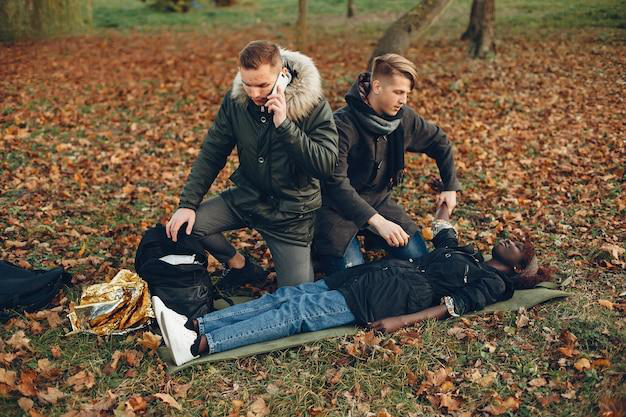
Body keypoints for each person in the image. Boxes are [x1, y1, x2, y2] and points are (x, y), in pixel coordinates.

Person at [154, 203, 550, 366]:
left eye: (517, 246)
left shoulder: (492, 284)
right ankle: (198, 327)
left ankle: (199, 347)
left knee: (295, 314)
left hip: (387, 297)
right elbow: (443, 233)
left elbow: (454, 306)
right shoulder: (468, 256)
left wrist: (402, 322)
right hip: (366, 276)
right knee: (288, 296)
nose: (509, 240)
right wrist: (444, 212)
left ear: (517, 269)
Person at [165, 40, 338, 289]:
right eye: (248, 85)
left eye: (263, 85)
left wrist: (285, 125)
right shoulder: (237, 102)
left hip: (290, 213)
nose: (255, 94)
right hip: (248, 198)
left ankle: (305, 260)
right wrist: (187, 205)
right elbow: (212, 152)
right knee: (189, 226)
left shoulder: (314, 106)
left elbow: (325, 165)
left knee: (297, 296)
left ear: (283, 76)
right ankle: (241, 267)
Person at [314, 53, 461, 274]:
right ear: (377, 86)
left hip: (379, 202)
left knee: (419, 261)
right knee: (354, 277)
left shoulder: (405, 118)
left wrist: (450, 186)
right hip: (336, 210)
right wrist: (379, 223)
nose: (404, 100)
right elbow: (335, 184)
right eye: (398, 92)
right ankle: (319, 251)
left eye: (407, 94)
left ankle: (374, 238)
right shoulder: (341, 125)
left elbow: (440, 142)